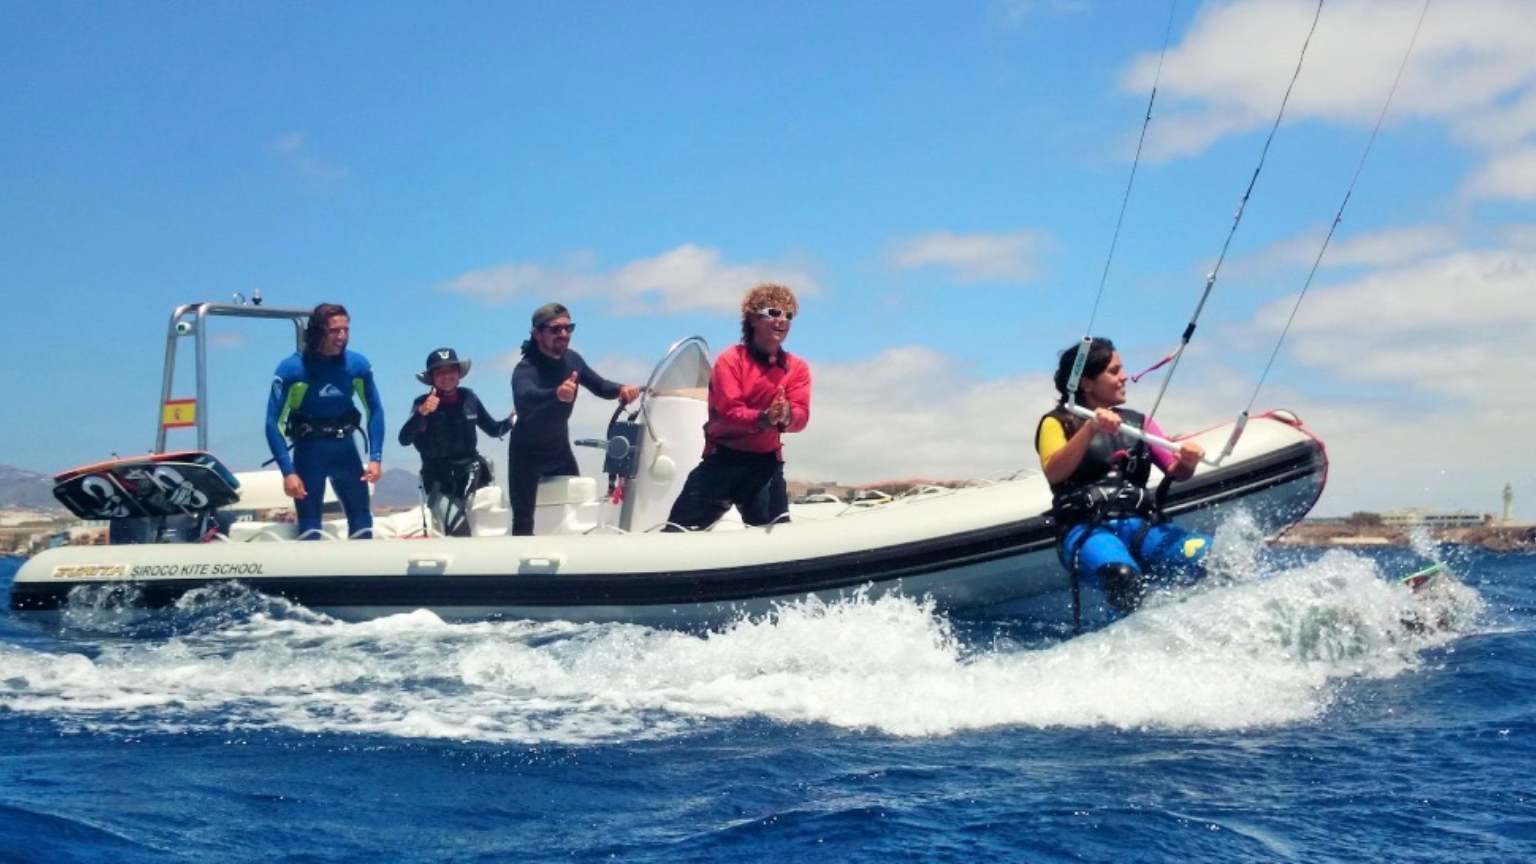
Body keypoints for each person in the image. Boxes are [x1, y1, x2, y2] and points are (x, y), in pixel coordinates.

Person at [1034, 337, 1210, 616]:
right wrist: (1091, 428)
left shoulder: (1140, 422)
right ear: (1086, 383)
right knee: (1122, 575)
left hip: (1143, 527)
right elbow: (1055, 472)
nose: (1124, 377)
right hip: (1087, 532)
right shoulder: (1056, 423)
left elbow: (1177, 471)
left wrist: (1187, 460)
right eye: (1114, 371)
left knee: (1207, 556)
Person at [665, 283, 811, 531]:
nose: (782, 320)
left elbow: (802, 416)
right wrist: (765, 418)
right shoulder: (730, 360)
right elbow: (729, 411)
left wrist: (786, 415)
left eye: (789, 315)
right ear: (753, 318)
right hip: (722, 461)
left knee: (778, 544)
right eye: (774, 312)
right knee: (675, 535)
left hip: (765, 466)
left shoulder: (797, 368)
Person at [508, 303, 640, 536]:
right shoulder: (526, 369)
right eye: (555, 329)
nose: (564, 334)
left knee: (575, 508)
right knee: (523, 522)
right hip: (526, 456)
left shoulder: (573, 361)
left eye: (569, 328)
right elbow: (525, 398)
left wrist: (621, 389)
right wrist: (555, 394)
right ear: (537, 333)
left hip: (559, 451)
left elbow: (600, 386)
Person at [264, 302, 385, 539]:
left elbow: (375, 410)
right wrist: (288, 472)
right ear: (318, 331)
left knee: (362, 518)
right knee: (310, 526)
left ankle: (364, 575)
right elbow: (273, 423)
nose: (342, 336)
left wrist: (376, 457)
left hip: (345, 450)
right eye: (334, 330)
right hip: (309, 453)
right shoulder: (292, 369)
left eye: (346, 329)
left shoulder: (357, 365)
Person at [398, 347, 513, 536]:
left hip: (471, 475)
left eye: (451, 370)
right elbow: (404, 439)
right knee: (459, 530)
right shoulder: (422, 402)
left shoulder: (470, 397)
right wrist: (422, 414)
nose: (446, 376)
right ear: (432, 378)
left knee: (490, 526)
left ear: (459, 374)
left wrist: (512, 420)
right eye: (440, 372)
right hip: (438, 480)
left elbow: (493, 430)